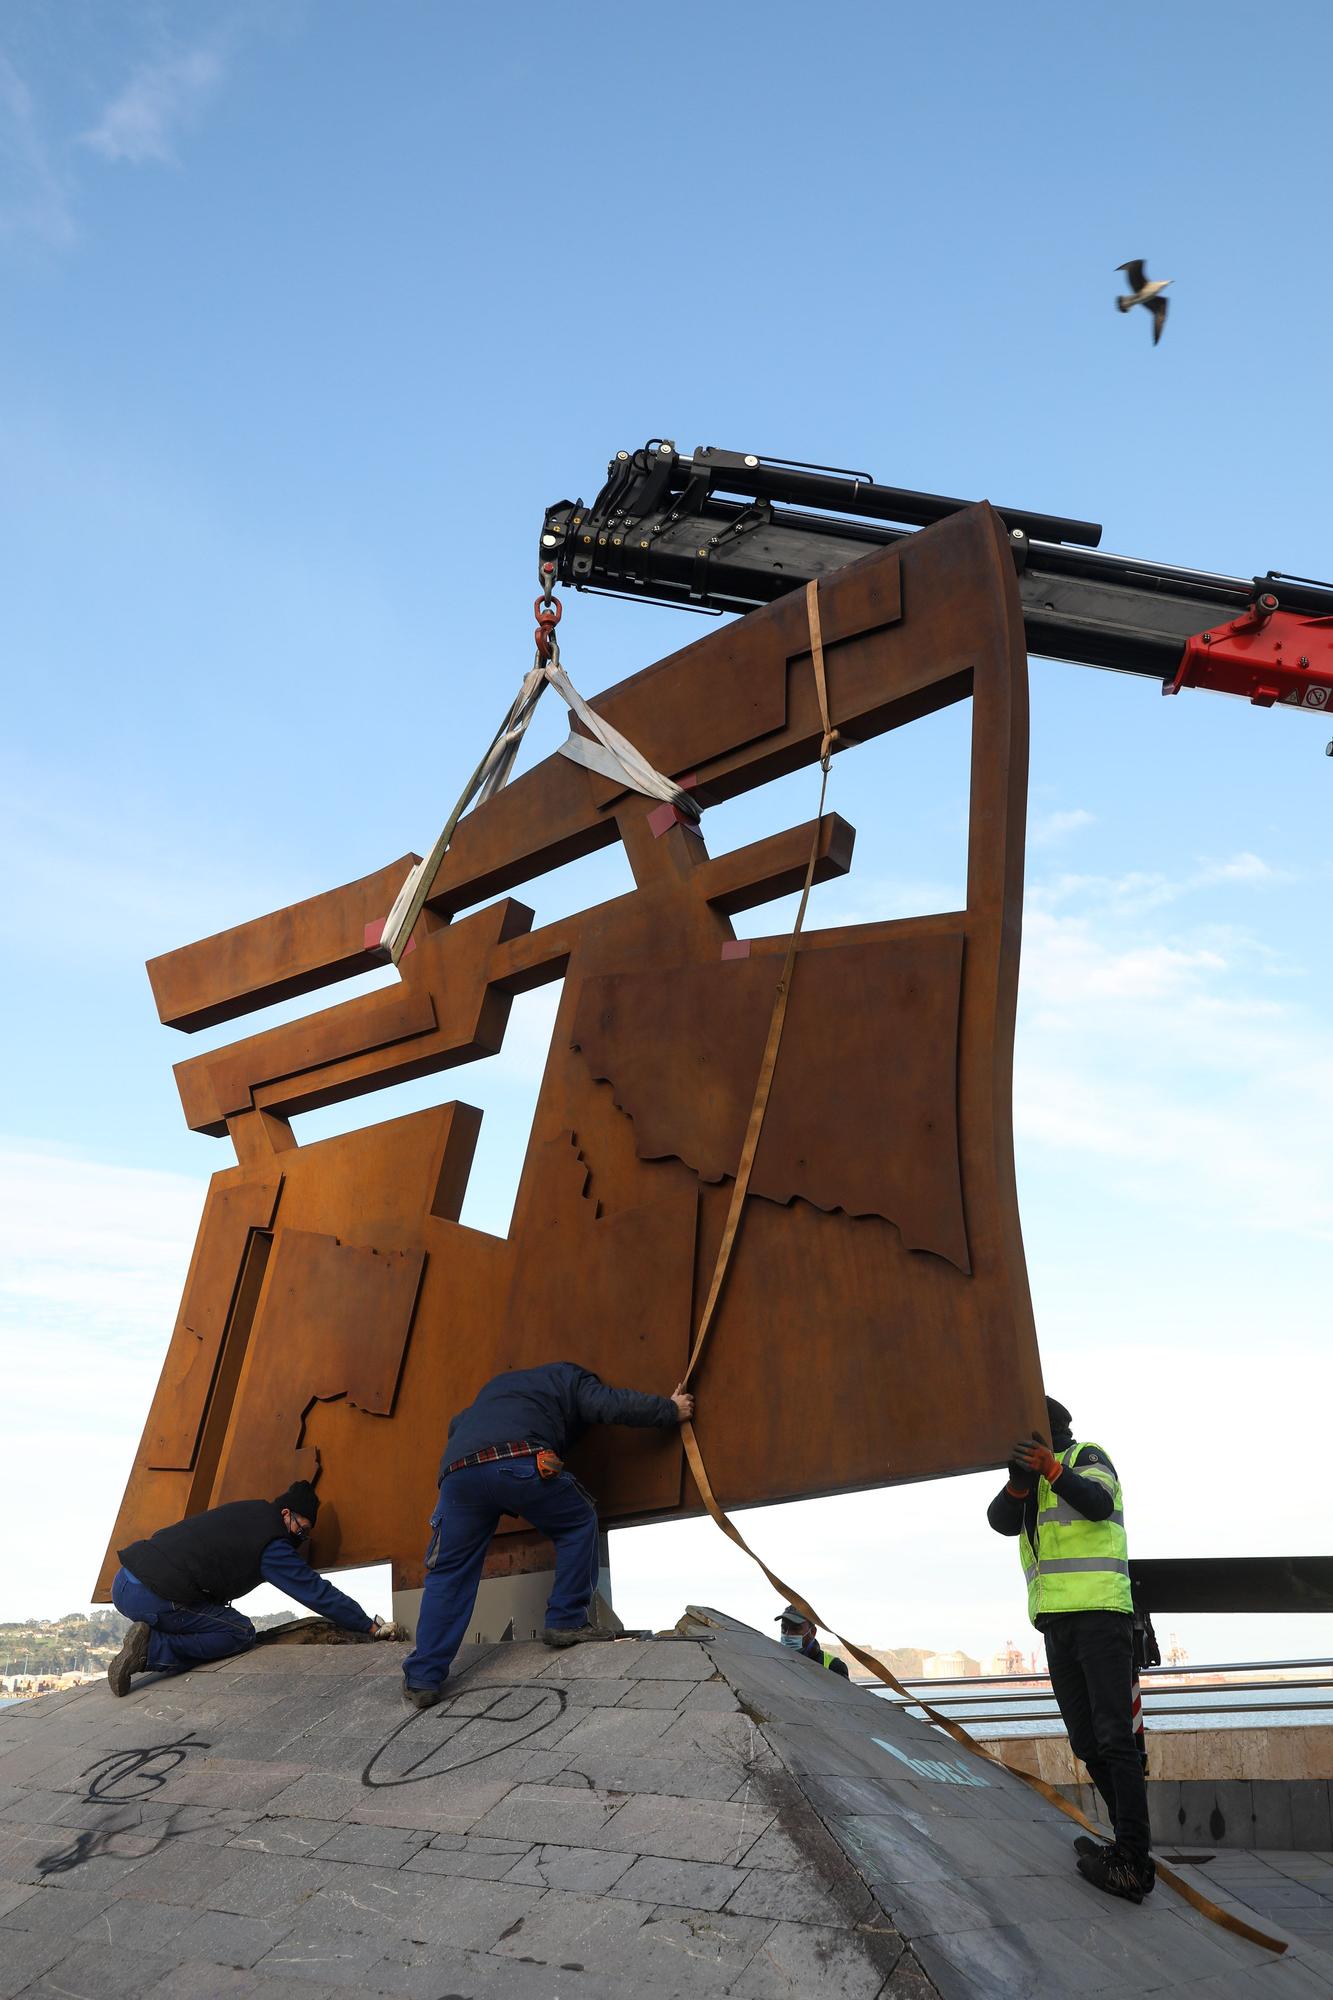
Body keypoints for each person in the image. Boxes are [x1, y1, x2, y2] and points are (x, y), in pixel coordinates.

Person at [402, 1362, 694, 1707]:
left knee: (449, 1574)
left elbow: (457, 1424)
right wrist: (668, 1409)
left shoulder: (496, 1387)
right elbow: (609, 1405)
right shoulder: (573, 1379)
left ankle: (423, 1677)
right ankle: (566, 1621)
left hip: (458, 1474)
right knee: (577, 1518)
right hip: (519, 1458)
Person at [987, 1396, 1154, 1904]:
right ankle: (1126, 1848)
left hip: (1101, 1616)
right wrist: (1021, 1480)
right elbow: (999, 1518)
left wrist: (1053, 1468)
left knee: (1114, 1738)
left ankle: (1133, 1858)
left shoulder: (1087, 1456)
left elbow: (1099, 1503)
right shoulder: (1032, 1481)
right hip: (1057, 1625)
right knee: (1086, 1741)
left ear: (1048, 1433)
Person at [107, 1480, 393, 1694]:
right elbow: (314, 1591)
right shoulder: (271, 1543)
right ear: (285, 1514)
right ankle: (152, 1650)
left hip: (124, 1581)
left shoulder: (250, 1511)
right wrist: (366, 1624)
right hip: (151, 1595)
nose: (301, 1538)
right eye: (300, 1529)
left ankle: (148, 1637)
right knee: (240, 1632)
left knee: (209, 1614)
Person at [775, 1605, 850, 1676]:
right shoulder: (774, 1659)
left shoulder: (834, 1666)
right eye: (784, 1628)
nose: (788, 1634)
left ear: (813, 1632)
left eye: (795, 1629)